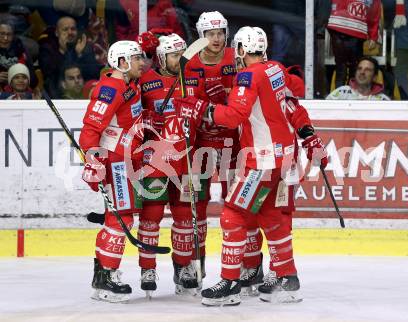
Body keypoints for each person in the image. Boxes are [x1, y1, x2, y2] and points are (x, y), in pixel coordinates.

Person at [174, 26, 328, 306]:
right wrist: (311, 138)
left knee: (232, 215)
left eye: (237, 49)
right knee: (273, 218)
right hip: (286, 160)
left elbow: (233, 117)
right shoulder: (276, 70)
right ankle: (287, 278)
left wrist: (200, 109)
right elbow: (292, 108)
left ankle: (230, 283)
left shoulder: (247, 75)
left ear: (243, 50)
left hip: (262, 161)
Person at [137, 33, 207, 297]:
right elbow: (129, 108)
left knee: (184, 217)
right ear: (161, 57)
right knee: (151, 215)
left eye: (181, 55)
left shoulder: (192, 80)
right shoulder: (146, 82)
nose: (179, 60)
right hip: (155, 159)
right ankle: (147, 268)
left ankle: (183, 267)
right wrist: (146, 120)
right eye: (174, 55)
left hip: (187, 158)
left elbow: (203, 111)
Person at [79, 40, 147, 303]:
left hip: (128, 157)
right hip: (117, 160)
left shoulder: (129, 84)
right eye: (137, 58)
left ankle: (103, 275)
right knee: (122, 218)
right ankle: (106, 277)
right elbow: (90, 129)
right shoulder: (110, 87)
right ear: (122, 62)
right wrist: (94, 160)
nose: (142, 62)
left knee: (119, 216)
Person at [39, 16, 101, 98]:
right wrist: (64, 51)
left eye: (73, 29)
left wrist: (79, 55)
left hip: (82, 95)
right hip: (57, 96)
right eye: (65, 29)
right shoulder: (48, 49)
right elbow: (51, 75)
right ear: (57, 33)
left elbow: (94, 74)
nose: (70, 32)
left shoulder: (84, 47)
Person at [327, 0, 381, 87]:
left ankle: (348, 96)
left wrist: (373, 36)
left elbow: (374, 13)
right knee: (344, 68)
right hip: (340, 27)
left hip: (353, 30)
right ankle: (342, 97)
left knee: (351, 69)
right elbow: (374, 14)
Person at [0, 20, 37, 90]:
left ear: (13, 36)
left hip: (19, 93)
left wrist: (19, 78)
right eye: (2, 34)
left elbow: (33, 80)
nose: (5, 38)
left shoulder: (21, 50)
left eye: (9, 34)